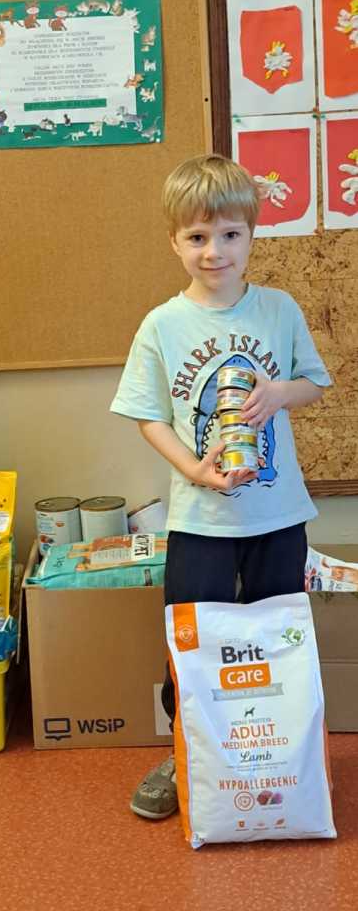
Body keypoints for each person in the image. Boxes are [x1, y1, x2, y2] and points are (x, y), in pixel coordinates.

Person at [110, 154, 331, 820]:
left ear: (251, 235)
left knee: (277, 640)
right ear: (174, 242)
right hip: (200, 518)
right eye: (198, 237)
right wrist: (190, 467)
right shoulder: (162, 324)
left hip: (277, 514)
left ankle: (281, 757)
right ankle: (186, 754)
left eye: (230, 234)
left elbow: (312, 383)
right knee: (191, 645)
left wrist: (278, 393)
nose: (215, 252)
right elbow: (147, 415)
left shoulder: (279, 309)